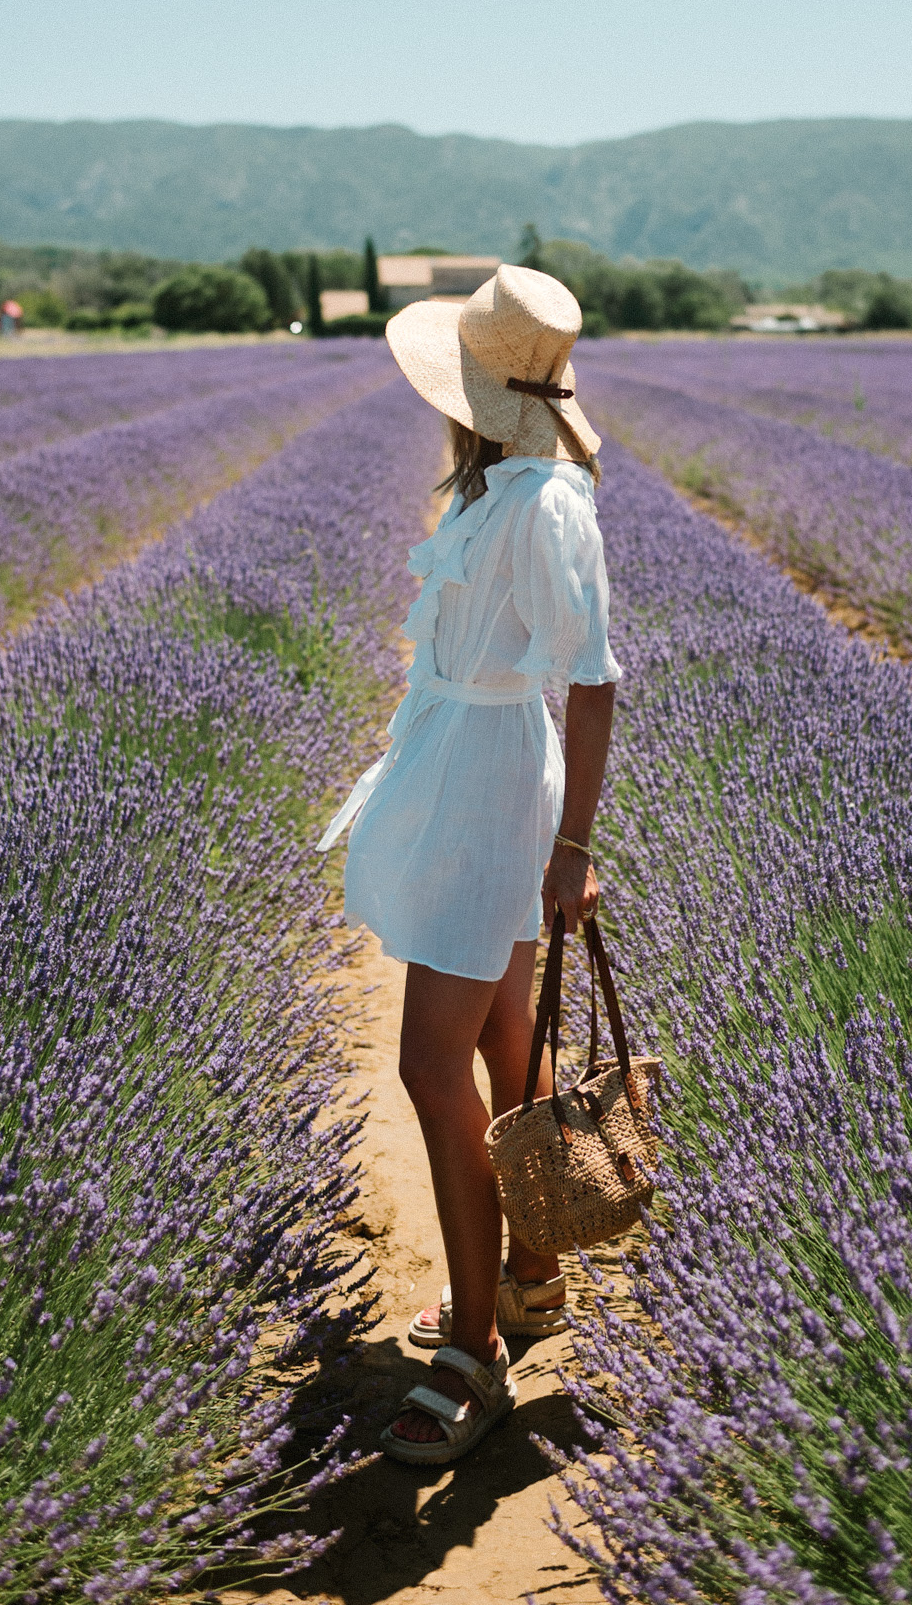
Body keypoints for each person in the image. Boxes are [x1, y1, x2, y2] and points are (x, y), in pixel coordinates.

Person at [319, 263, 619, 1467]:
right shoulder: (499, 486)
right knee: (499, 1042)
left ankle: (476, 1357)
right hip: (466, 763)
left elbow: (592, 685)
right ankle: (530, 1280)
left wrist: (572, 847)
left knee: (427, 1065)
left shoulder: (546, 503)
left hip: (490, 786)